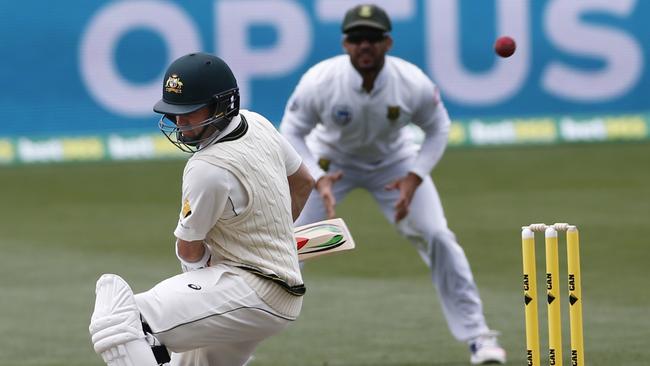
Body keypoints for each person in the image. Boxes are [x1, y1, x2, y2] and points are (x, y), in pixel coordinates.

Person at [279, 4, 506, 365]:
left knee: (437, 235)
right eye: (356, 38)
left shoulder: (412, 81)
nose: (364, 45)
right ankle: (238, 343)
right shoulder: (320, 80)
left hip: (394, 165)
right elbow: (291, 130)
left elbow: (438, 128)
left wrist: (414, 177)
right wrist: (317, 179)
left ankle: (478, 335)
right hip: (329, 162)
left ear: (388, 43)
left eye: (372, 38)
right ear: (345, 44)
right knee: (289, 246)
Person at [89, 52, 315, 366]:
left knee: (123, 319)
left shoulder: (207, 167)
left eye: (190, 113)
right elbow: (304, 182)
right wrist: (275, 235)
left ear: (222, 105)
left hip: (249, 291)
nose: (180, 125)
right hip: (277, 289)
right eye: (174, 114)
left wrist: (202, 276)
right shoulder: (258, 123)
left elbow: (189, 248)